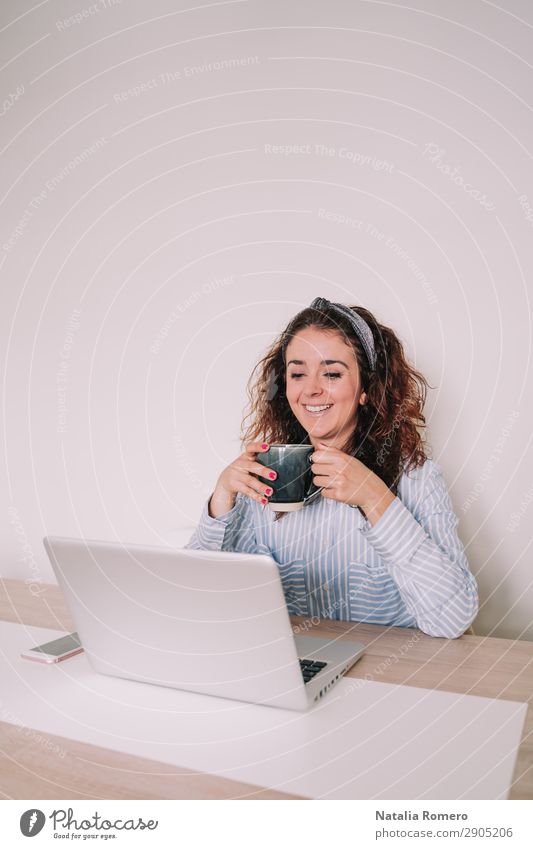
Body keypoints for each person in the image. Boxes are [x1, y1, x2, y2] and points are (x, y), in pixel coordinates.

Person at [184, 296, 478, 638]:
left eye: (332, 373)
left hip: (393, 676)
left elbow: (455, 619)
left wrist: (375, 499)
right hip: (296, 673)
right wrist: (221, 500)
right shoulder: (265, 476)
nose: (311, 389)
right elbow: (194, 600)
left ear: (366, 387)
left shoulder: (416, 478)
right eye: (297, 373)